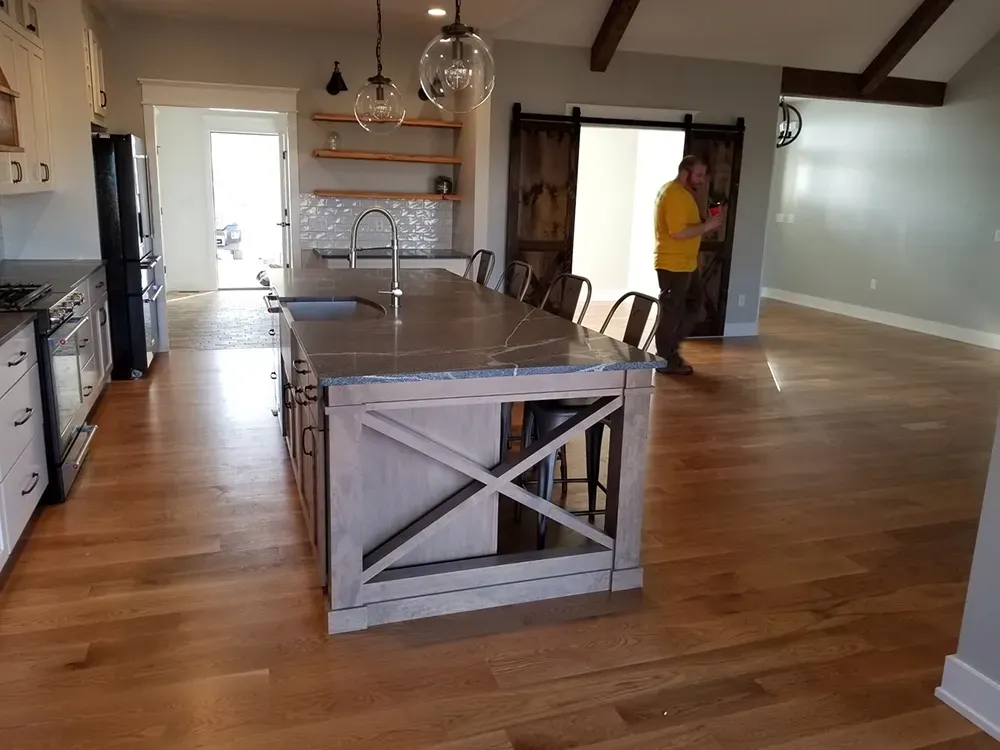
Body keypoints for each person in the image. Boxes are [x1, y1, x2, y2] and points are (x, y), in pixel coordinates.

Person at [653, 154, 725, 375]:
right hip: (673, 264)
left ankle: (670, 351)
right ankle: (665, 359)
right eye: (699, 175)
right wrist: (707, 226)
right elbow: (677, 232)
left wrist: (705, 221)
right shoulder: (674, 195)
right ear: (686, 172)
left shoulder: (681, 194)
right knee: (673, 311)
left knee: (693, 305)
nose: (702, 180)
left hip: (686, 264)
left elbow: (685, 226)